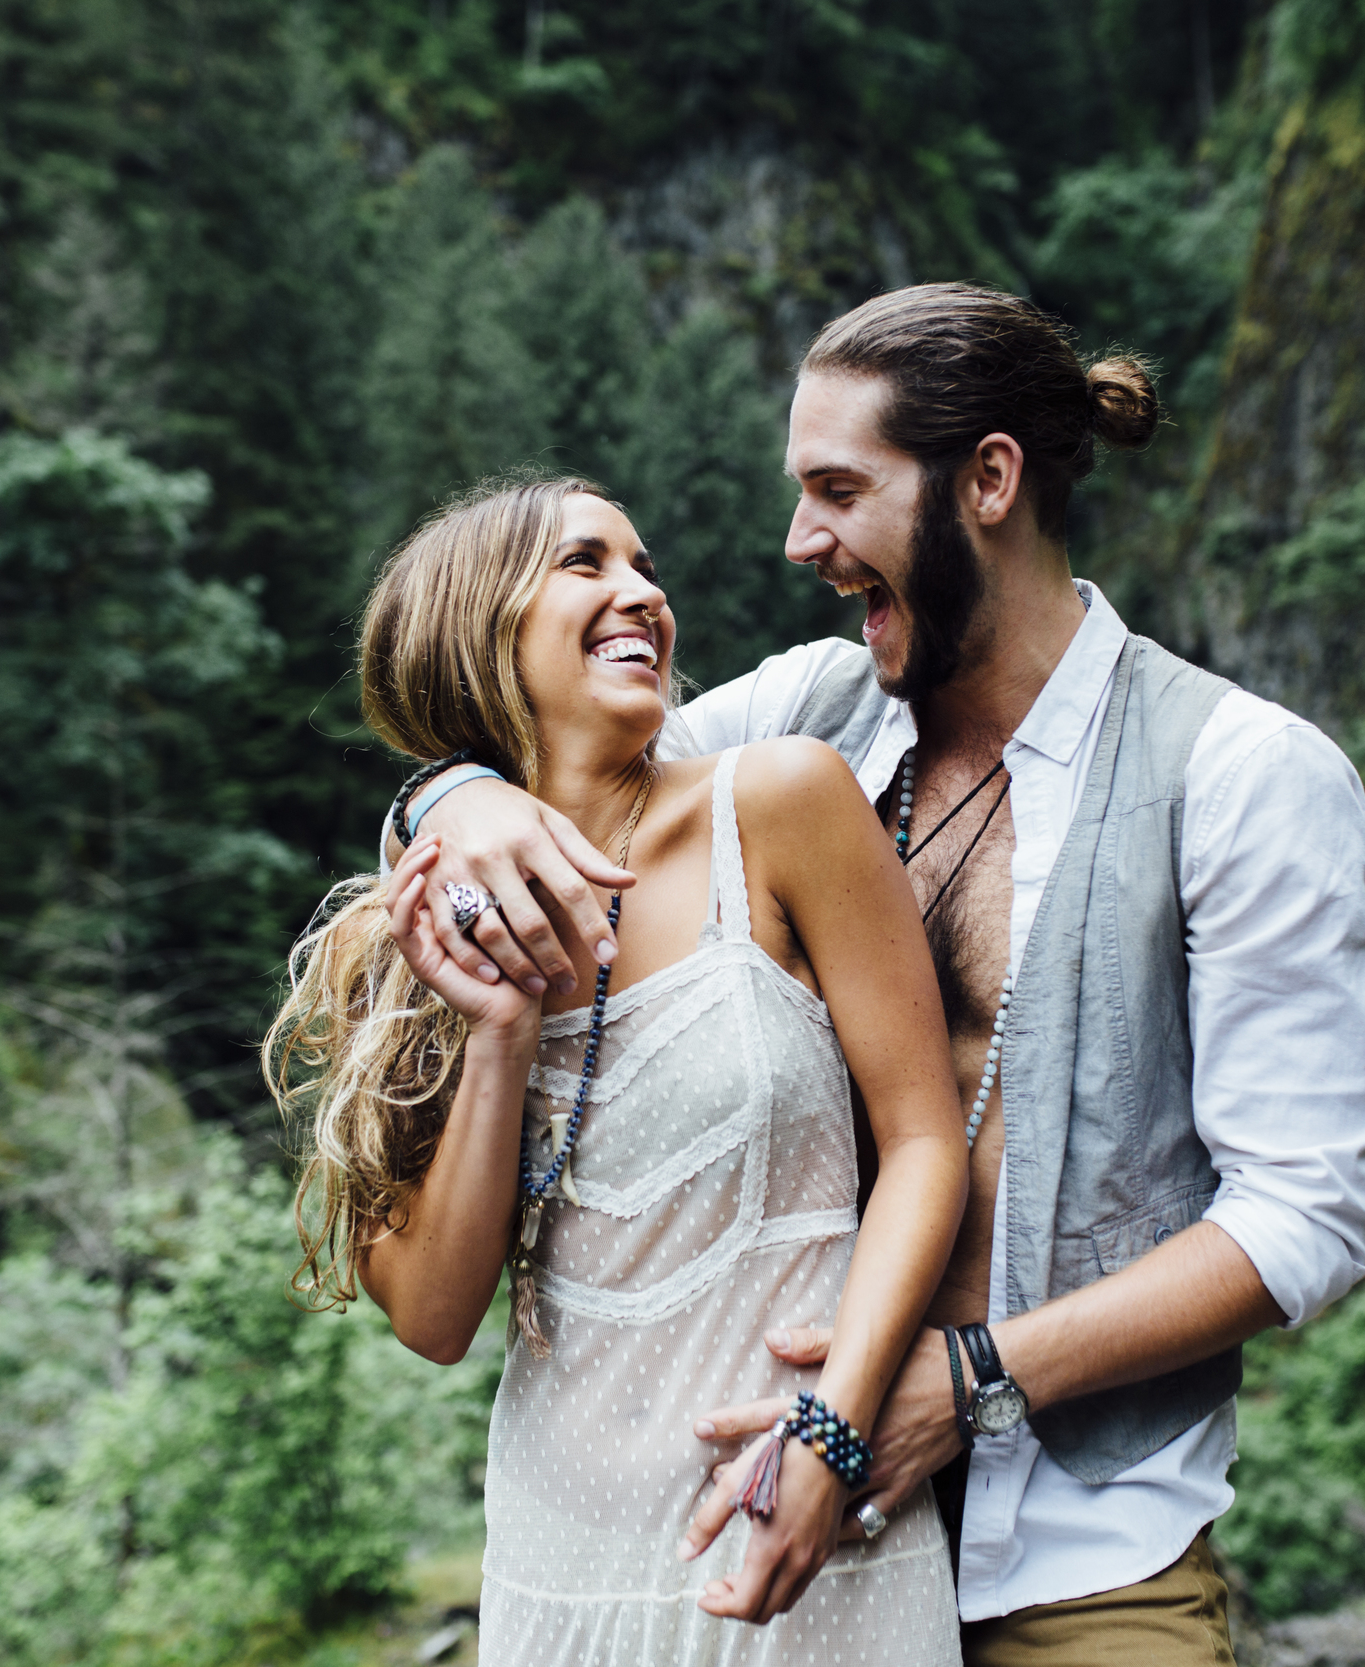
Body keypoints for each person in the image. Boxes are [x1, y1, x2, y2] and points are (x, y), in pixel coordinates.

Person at [388, 285, 1365, 1665]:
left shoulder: (1245, 775)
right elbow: (548, 742)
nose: (803, 541)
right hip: (761, 1528)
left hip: (1083, 1550)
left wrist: (964, 1381)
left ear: (988, 480)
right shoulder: (808, 714)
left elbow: (1308, 1214)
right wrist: (449, 798)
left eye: (839, 491)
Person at [268, 475, 970, 1665]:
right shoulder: (407, 936)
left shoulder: (782, 804)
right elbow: (436, 1319)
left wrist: (836, 1433)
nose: (641, 590)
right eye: (584, 563)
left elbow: (920, 1142)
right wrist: (495, 1031)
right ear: (475, 628)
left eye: (644, 566)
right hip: (561, 1563)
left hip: (802, 1521)